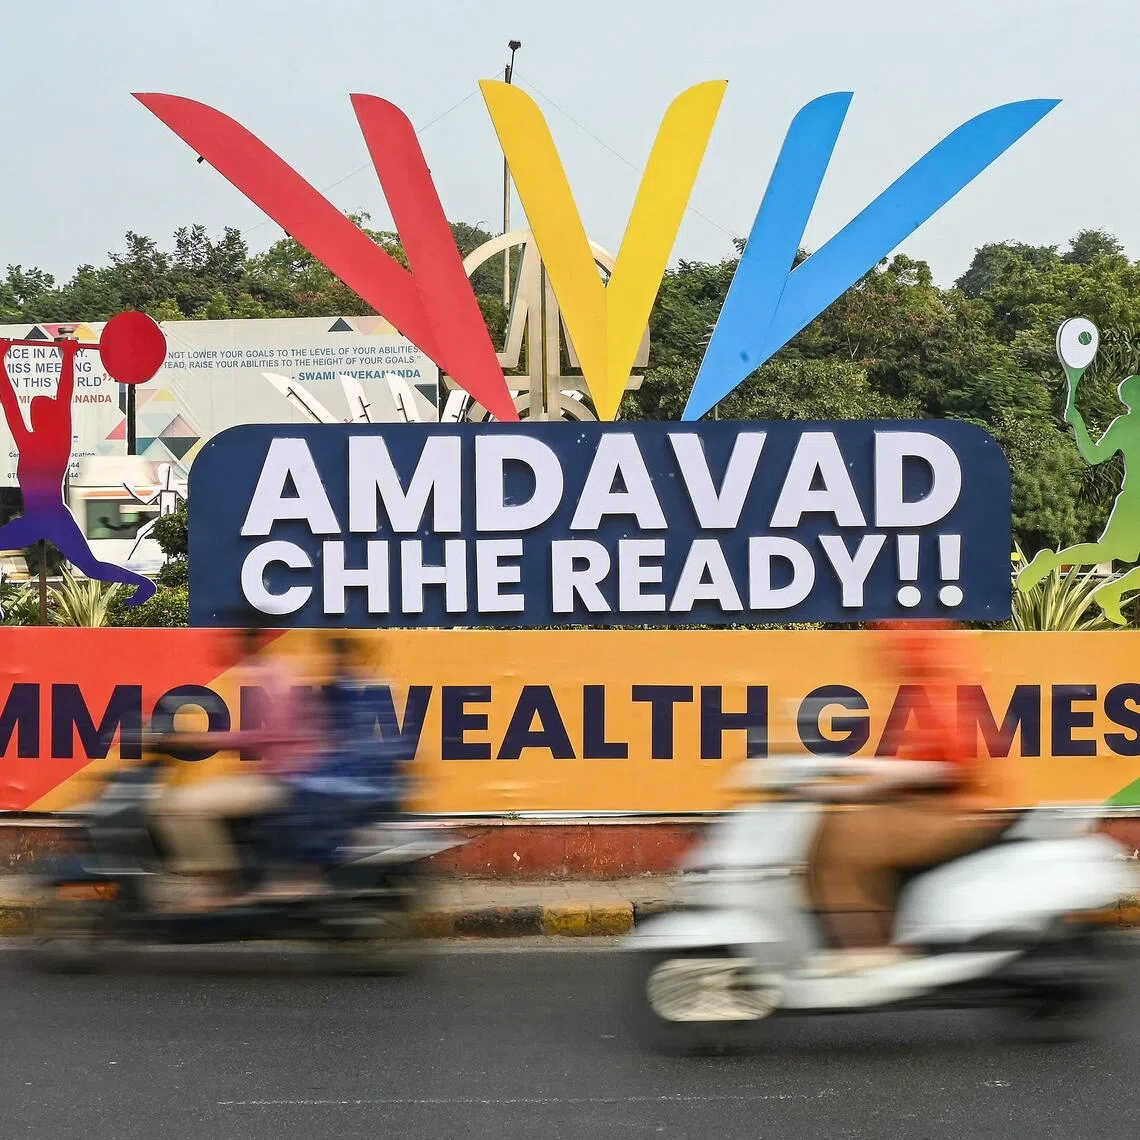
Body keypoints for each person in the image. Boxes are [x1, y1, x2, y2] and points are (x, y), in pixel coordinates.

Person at [806, 621, 1010, 969]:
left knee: (848, 841)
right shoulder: (918, 692)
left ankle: (867, 947)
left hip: (957, 810)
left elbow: (950, 767)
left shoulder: (946, 690)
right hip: (928, 804)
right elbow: (906, 765)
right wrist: (852, 784)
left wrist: (870, 775)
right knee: (831, 822)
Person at [152, 624, 321, 908]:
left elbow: (269, 736)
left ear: (248, 639)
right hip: (279, 777)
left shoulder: (271, 677)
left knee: (178, 806)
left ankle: (219, 885)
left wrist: (199, 741)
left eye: (232, 638)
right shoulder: (270, 672)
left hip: (282, 782)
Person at [0, 337, 155, 604]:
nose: (30, 413)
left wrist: (69, 358)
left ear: (45, 418)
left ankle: (144, 584)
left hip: (54, 517)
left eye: (35, 410)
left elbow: (63, 398)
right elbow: (10, 401)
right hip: (38, 518)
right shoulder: (28, 439)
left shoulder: (54, 443)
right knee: (91, 566)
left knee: (90, 567)